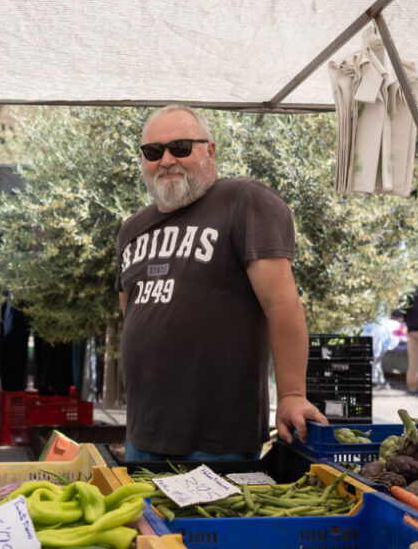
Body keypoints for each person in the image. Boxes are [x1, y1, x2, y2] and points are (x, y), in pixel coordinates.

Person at [115, 105, 327, 461]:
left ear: (210, 150)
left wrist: (291, 394)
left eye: (180, 148)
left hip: (219, 440)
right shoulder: (131, 230)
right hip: (142, 434)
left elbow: (282, 303)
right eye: (153, 152)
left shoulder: (245, 201)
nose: (166, 160)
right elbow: (132, 311)